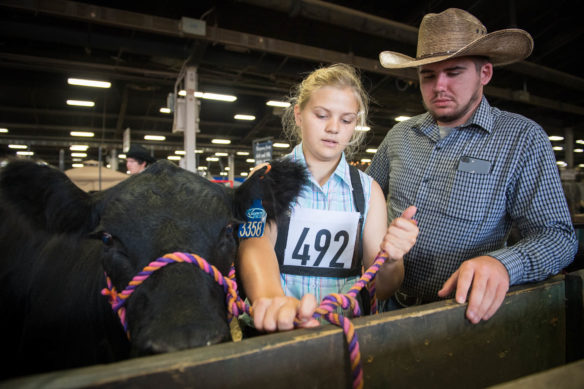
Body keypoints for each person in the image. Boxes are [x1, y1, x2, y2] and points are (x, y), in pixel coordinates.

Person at [366, 8, 577, 324]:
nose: (439, 86)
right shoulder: (399, 135)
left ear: (485, 74)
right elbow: (358, 198)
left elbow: (557, 236)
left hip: (463, 317)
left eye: (454, 72)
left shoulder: (521, 139)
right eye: (428, 75)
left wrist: (503, 264)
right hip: (387, 308)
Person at [238, 63, 419, 332]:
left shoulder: (369, 192)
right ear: (299, 115)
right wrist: (272, 300)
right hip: (275, 333)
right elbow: (254, 244)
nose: (334, 128)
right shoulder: (264, 178)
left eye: (346, 120)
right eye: (322, 115)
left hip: (345, 334)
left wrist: (391, 259)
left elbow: (380, 289)